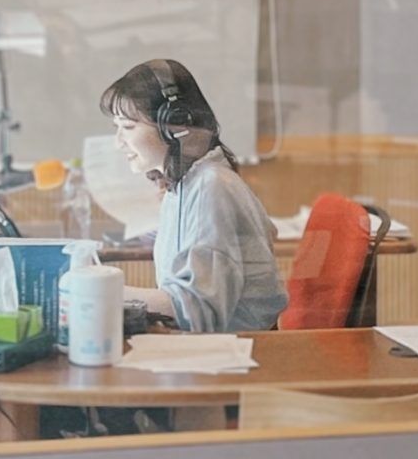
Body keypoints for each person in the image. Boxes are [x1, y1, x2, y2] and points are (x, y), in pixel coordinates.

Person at [100, 58, 288, 332]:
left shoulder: (212, 187)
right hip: (219, 344)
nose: (119, 142)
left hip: (244, 351)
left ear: (175, 125)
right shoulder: (185, 184)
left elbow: (195, 312)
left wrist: (102, 291)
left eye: (128, 127)